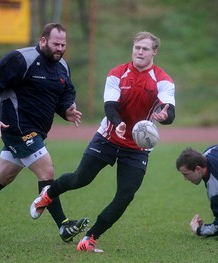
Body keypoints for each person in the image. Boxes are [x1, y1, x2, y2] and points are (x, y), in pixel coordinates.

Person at [29, 31, 176, 252]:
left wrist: (165, 117)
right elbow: (110, 105)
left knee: (125, 195)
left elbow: (169, 111)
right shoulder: (117, 73)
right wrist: (117, 123)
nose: (140, 52)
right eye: (137, 47)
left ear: (154, 51)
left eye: (145, 49)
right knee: (81, 178)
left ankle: (90, 238)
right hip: (108, 136)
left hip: (138, 146)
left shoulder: (163, 80)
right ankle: (47, 195)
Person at [0, 23, 89, 242]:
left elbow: (65, 91)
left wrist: (67, 110)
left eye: (63, 44)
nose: (60, 48)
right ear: (43, 40)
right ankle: (63, 226)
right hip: (16, 127)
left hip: (37, 131)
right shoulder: (20, 59)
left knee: (3, 176)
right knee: (47, 171)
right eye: (56, 44)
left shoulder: (62, 65)